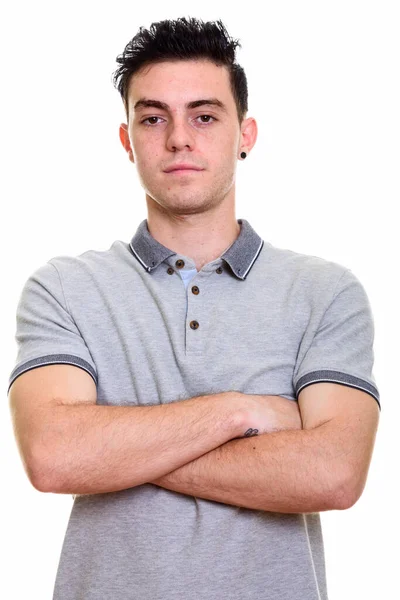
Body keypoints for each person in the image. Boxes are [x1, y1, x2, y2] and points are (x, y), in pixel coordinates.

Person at [8, 16, 380, 600]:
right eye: (153, 118)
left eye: (204, 116)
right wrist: (238, 413)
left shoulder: (324, 294)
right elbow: (54, 457)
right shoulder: (64, 289)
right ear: (128, 140)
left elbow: (334, 474)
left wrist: (114, 454)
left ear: (246, 134)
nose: (179, 137)